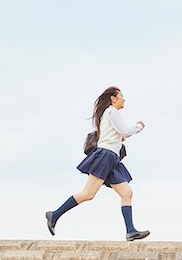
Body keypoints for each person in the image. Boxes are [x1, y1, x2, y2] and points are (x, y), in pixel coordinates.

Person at [45, 86, 150, 241]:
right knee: (88, 194)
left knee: (127, 193)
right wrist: (139, 126)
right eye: (121, 96)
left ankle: (130, 231)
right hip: (105, 156)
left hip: (113, 159)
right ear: (113, 98)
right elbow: (126, 131)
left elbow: (116, 134)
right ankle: (54, 215)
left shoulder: (109, 114)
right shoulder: (112, 111)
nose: (124, 99)